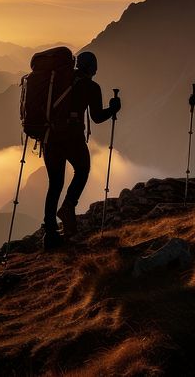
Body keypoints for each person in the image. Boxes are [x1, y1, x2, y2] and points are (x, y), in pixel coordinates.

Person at [43, 51, 120, 246]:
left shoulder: (58, 82)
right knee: (83, 169)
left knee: (55, 183)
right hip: (72, 137)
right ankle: (68, 207)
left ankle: (50, 233)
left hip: (49, 137)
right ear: (92, 68)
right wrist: (113, 108)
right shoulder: (91, 87)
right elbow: (97, 117)